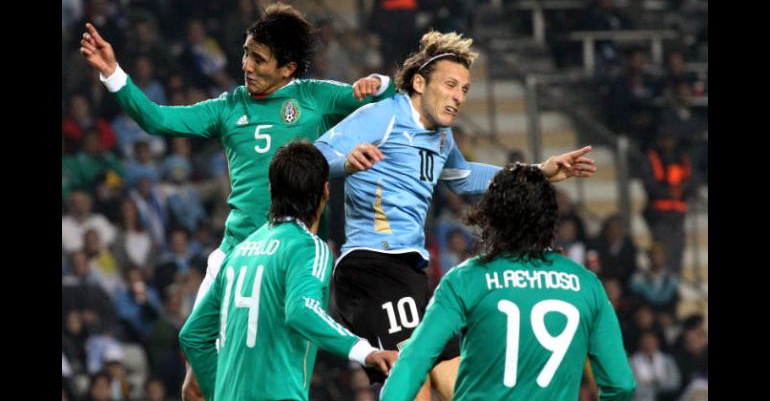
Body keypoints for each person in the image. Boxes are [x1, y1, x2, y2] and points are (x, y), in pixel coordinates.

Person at [80, 1, 395, 399]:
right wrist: (112, 72)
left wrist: (379, 83)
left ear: (288, 68)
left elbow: (391, 102)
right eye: (246, 52)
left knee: (289, 362)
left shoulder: (316, 98)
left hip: (291, 250)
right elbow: (158, 119)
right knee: (194, 370)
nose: (246, 65)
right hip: (237, 251)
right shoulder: (229, 107)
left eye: (259, 59)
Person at [315, 30, 596, 400]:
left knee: (458, 383)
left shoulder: (442, 138)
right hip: (372, 265)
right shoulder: (382, 115)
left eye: (464, 89)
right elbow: (312, 158)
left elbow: (463, 179)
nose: (458, 96)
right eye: (450, 85)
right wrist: (344, 164)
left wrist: (538, 170)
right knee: (413, 381)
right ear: (419, 83)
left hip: (410, 271)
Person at [380, 164, 636, 401]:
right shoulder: (586, 284)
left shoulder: (466, 279)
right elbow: (621, 384)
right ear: (550, 220)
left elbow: (415, 359)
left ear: (491, 218)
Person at [179, 141, 398, 400]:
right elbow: (301, 310)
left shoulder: (238, 253)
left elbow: (193, 335)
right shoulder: (308, 247)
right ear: (326, 191)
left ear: (271, 191)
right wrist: (365, 351)